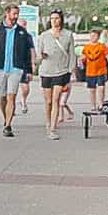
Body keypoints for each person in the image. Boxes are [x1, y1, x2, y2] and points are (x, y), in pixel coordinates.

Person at [0, 5, 35, 138]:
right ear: (7, 13)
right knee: (3, 97)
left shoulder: (22, 33)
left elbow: (26, 54)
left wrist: (28, 70)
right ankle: (6, 118)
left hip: (16, 69)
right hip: (0, 68)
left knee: (12, 96)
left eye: (17, 14)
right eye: (13, 14)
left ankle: (8, 125)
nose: (15, 17)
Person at [36, 9, 76, 140]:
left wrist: (71, 71)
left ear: (61, 20)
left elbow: (72, 54)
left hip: (62, 71)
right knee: (48, 101)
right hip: (46, 71)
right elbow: (38, 54)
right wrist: (40, 56)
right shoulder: (44, 35)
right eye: (52, 18)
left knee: (56, 100)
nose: (54, 21)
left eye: (57, 18)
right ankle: (48, 122)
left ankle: (53, 128)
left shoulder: (68, 35)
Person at [81, 29, 108, 110]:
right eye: (91, 36)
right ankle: (93, 105)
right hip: (90, 71)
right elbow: (84, 56)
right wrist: (80, 60)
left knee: (101, 87)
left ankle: (100, 104)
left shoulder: (102, 46)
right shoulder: (86, 47)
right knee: (92, 90)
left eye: (94, 36)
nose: (92, 37)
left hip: (101, 70)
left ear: (98, 37)